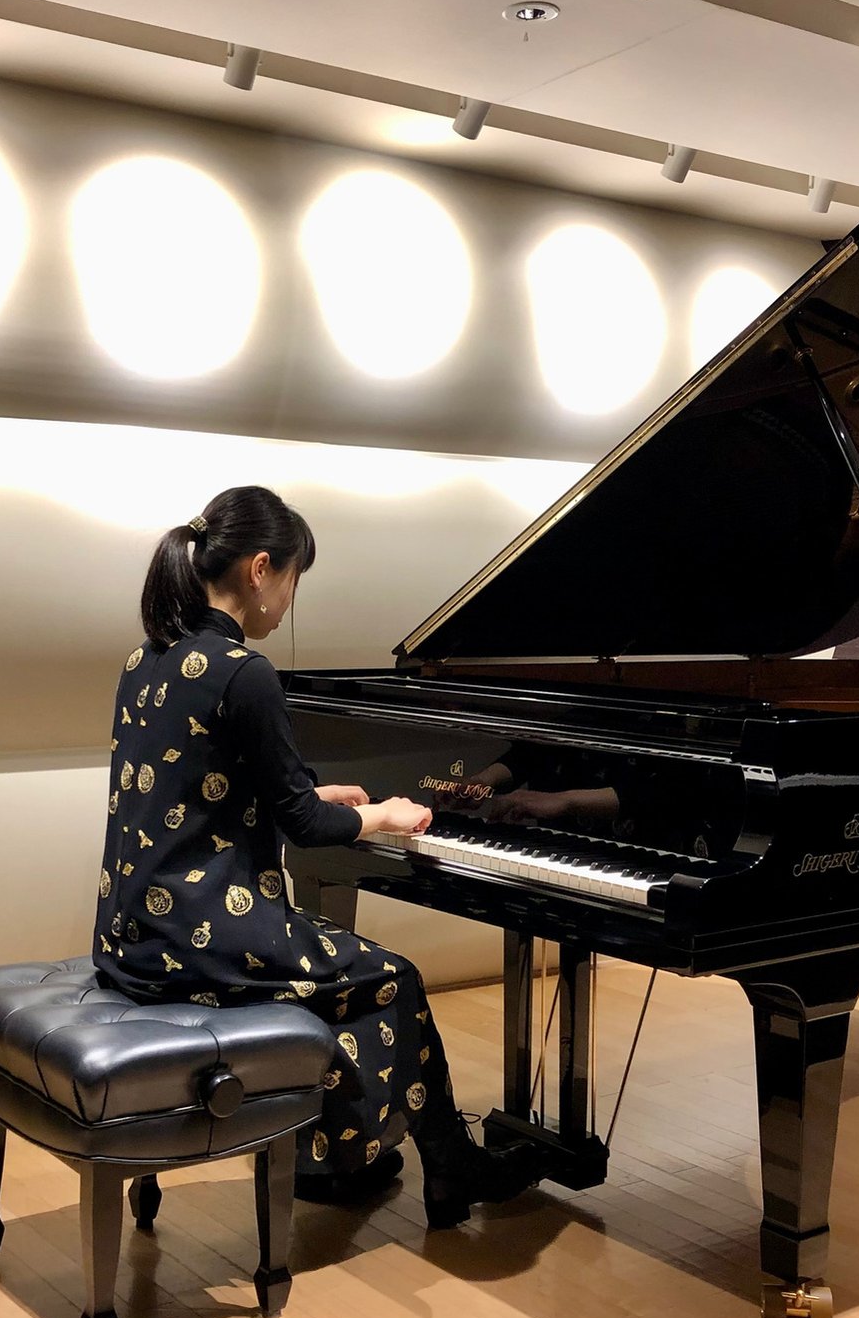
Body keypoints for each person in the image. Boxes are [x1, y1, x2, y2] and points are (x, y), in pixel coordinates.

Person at [90, 485, 545, 1228]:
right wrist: (381, 815)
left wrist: (312, 792)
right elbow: (302, 825)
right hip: (203, 940)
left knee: (336, 973)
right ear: (260, 570)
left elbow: (197, 786)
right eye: (293, 580)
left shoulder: (147, 659)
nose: (287, 603)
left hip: (132, 936)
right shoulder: (244, 670)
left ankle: (337, 1158)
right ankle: (449, 1168)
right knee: (393, 978)